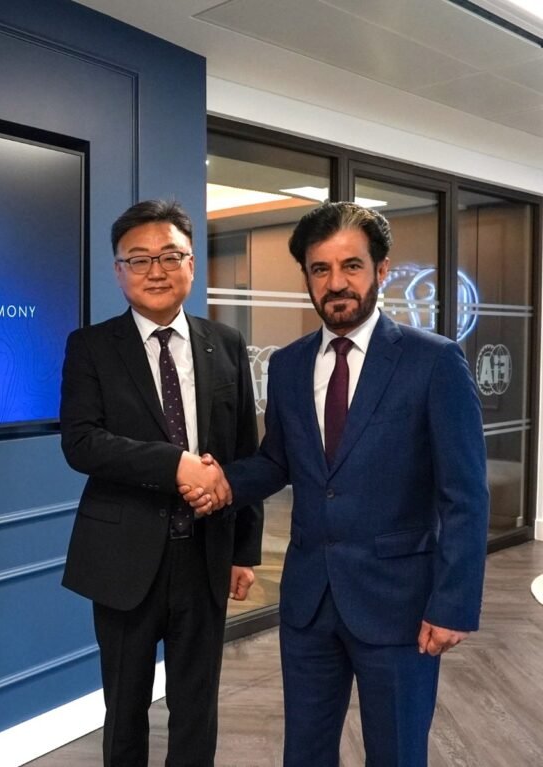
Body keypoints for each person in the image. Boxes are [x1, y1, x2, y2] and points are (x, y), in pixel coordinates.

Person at [185, 201, 489, 766]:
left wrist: (454, 603)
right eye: (320, 269)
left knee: (396, 754)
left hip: (398, 606)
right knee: (304, 753)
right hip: (308, 602)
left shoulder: (434, 362)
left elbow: (465, 496)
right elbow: (277, 461)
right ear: (306, 276)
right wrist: (221, 480)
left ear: (382, 270)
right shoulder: (289, 365)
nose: (336, 283)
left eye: (352, 266)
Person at [60, 199, 263, 767]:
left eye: (170, 256)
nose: (156, 271)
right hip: (123, 558)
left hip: (205, 554)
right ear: (118, 269)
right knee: (125, 708)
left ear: (191, 263)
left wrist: (243, 551)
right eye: (139, 258)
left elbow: (243, 452)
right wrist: (177, 465)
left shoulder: (225, 343)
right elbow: (82, 443)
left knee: (197, 706)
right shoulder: (91, 346)